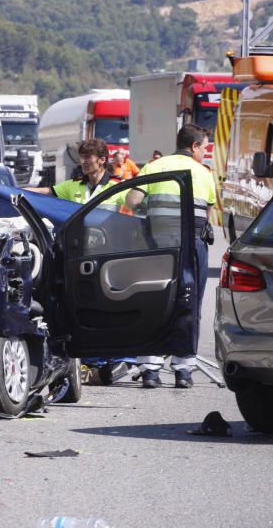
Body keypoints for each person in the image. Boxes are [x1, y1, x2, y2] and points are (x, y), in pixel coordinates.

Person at [124, 124, 216, 389]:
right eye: (205, 147)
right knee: (190, 304)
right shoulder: (203, 173)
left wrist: (148, 208)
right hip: (191, 247)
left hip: (157, 245)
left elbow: (131, 201)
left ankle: (150, 370)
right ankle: (183, 370)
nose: (205, 153)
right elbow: (208, 213)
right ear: (194, 146)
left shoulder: (155, 166)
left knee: (154, 301)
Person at [25, 138, 122, 204]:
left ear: (102, 160)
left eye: (88, 157)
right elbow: (43, 191)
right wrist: (12, 191)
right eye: (82, 157)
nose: (83, 162)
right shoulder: (73, 185)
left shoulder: (118, 186)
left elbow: (135, 202)